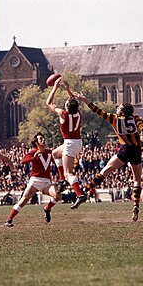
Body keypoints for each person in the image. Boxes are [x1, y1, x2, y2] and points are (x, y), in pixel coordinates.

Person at [75, 93, 143, 221]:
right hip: (136, 151)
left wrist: (84, 98)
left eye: (119, 107)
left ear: (122, 111)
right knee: (137, 180)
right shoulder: (135, 118)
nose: (117, 108)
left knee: (105, 171)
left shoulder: (114, 118)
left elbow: (96, 110)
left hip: (125, 150)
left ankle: (84, 192)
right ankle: (136, 205)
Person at [4, 132, 62, 227]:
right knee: (24, 200)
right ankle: (9, 220)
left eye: (43, 138)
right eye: (40, 139)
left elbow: (58, 157)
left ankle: (47, 209)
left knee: (57, 196)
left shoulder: (49, 152)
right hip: (35, 180)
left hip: (46, 182)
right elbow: (23, 161)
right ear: (36, 142)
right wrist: (33, 157)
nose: (43, 140)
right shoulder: (33, 151)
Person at [45, 76, 86, 208]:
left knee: (69, 173)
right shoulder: (78, 113)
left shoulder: (63, 114)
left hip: (70, 144)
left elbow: (49, 103)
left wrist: (55, 88)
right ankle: (62, 180)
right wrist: (68, 90)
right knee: (55, 154)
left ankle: (80, 194)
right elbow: (73, 101)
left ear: (67, 106)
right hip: (77, 142)